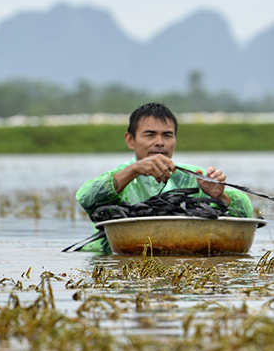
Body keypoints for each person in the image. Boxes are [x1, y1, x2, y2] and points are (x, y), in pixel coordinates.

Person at [75, 103, 254, 253]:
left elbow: (245, 212)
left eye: (167, 135)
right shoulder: (122, 176)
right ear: (130, 140)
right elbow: (86, 197)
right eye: (150, 135)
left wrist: (221, 197)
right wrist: (134, 169)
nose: (160, 142)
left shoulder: (195, 176)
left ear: (175, 139)